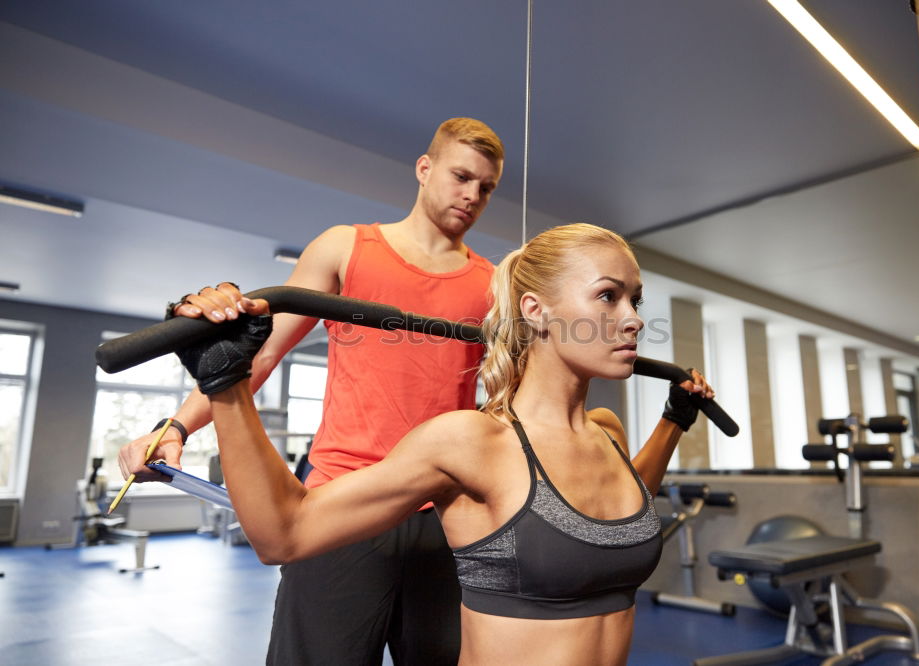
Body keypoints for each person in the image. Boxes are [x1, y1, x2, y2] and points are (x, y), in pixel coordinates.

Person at [170, 223, 715, 666]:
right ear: (535, 311)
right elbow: (283, 534)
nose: (634, 320)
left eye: (635, 300)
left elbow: (621, 510)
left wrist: (672, 421)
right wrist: (227, 386)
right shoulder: (472, 443)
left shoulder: (606, 433)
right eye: (608, 297)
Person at [117, 117, 505, 664]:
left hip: (444, 513)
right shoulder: (347, 248)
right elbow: (260, 353)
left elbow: (507, 397)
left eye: (486, 187)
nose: (472, 195)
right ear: (424, 169)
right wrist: (177, 427)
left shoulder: (492, 285)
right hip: (343, 501)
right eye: (462, 176)